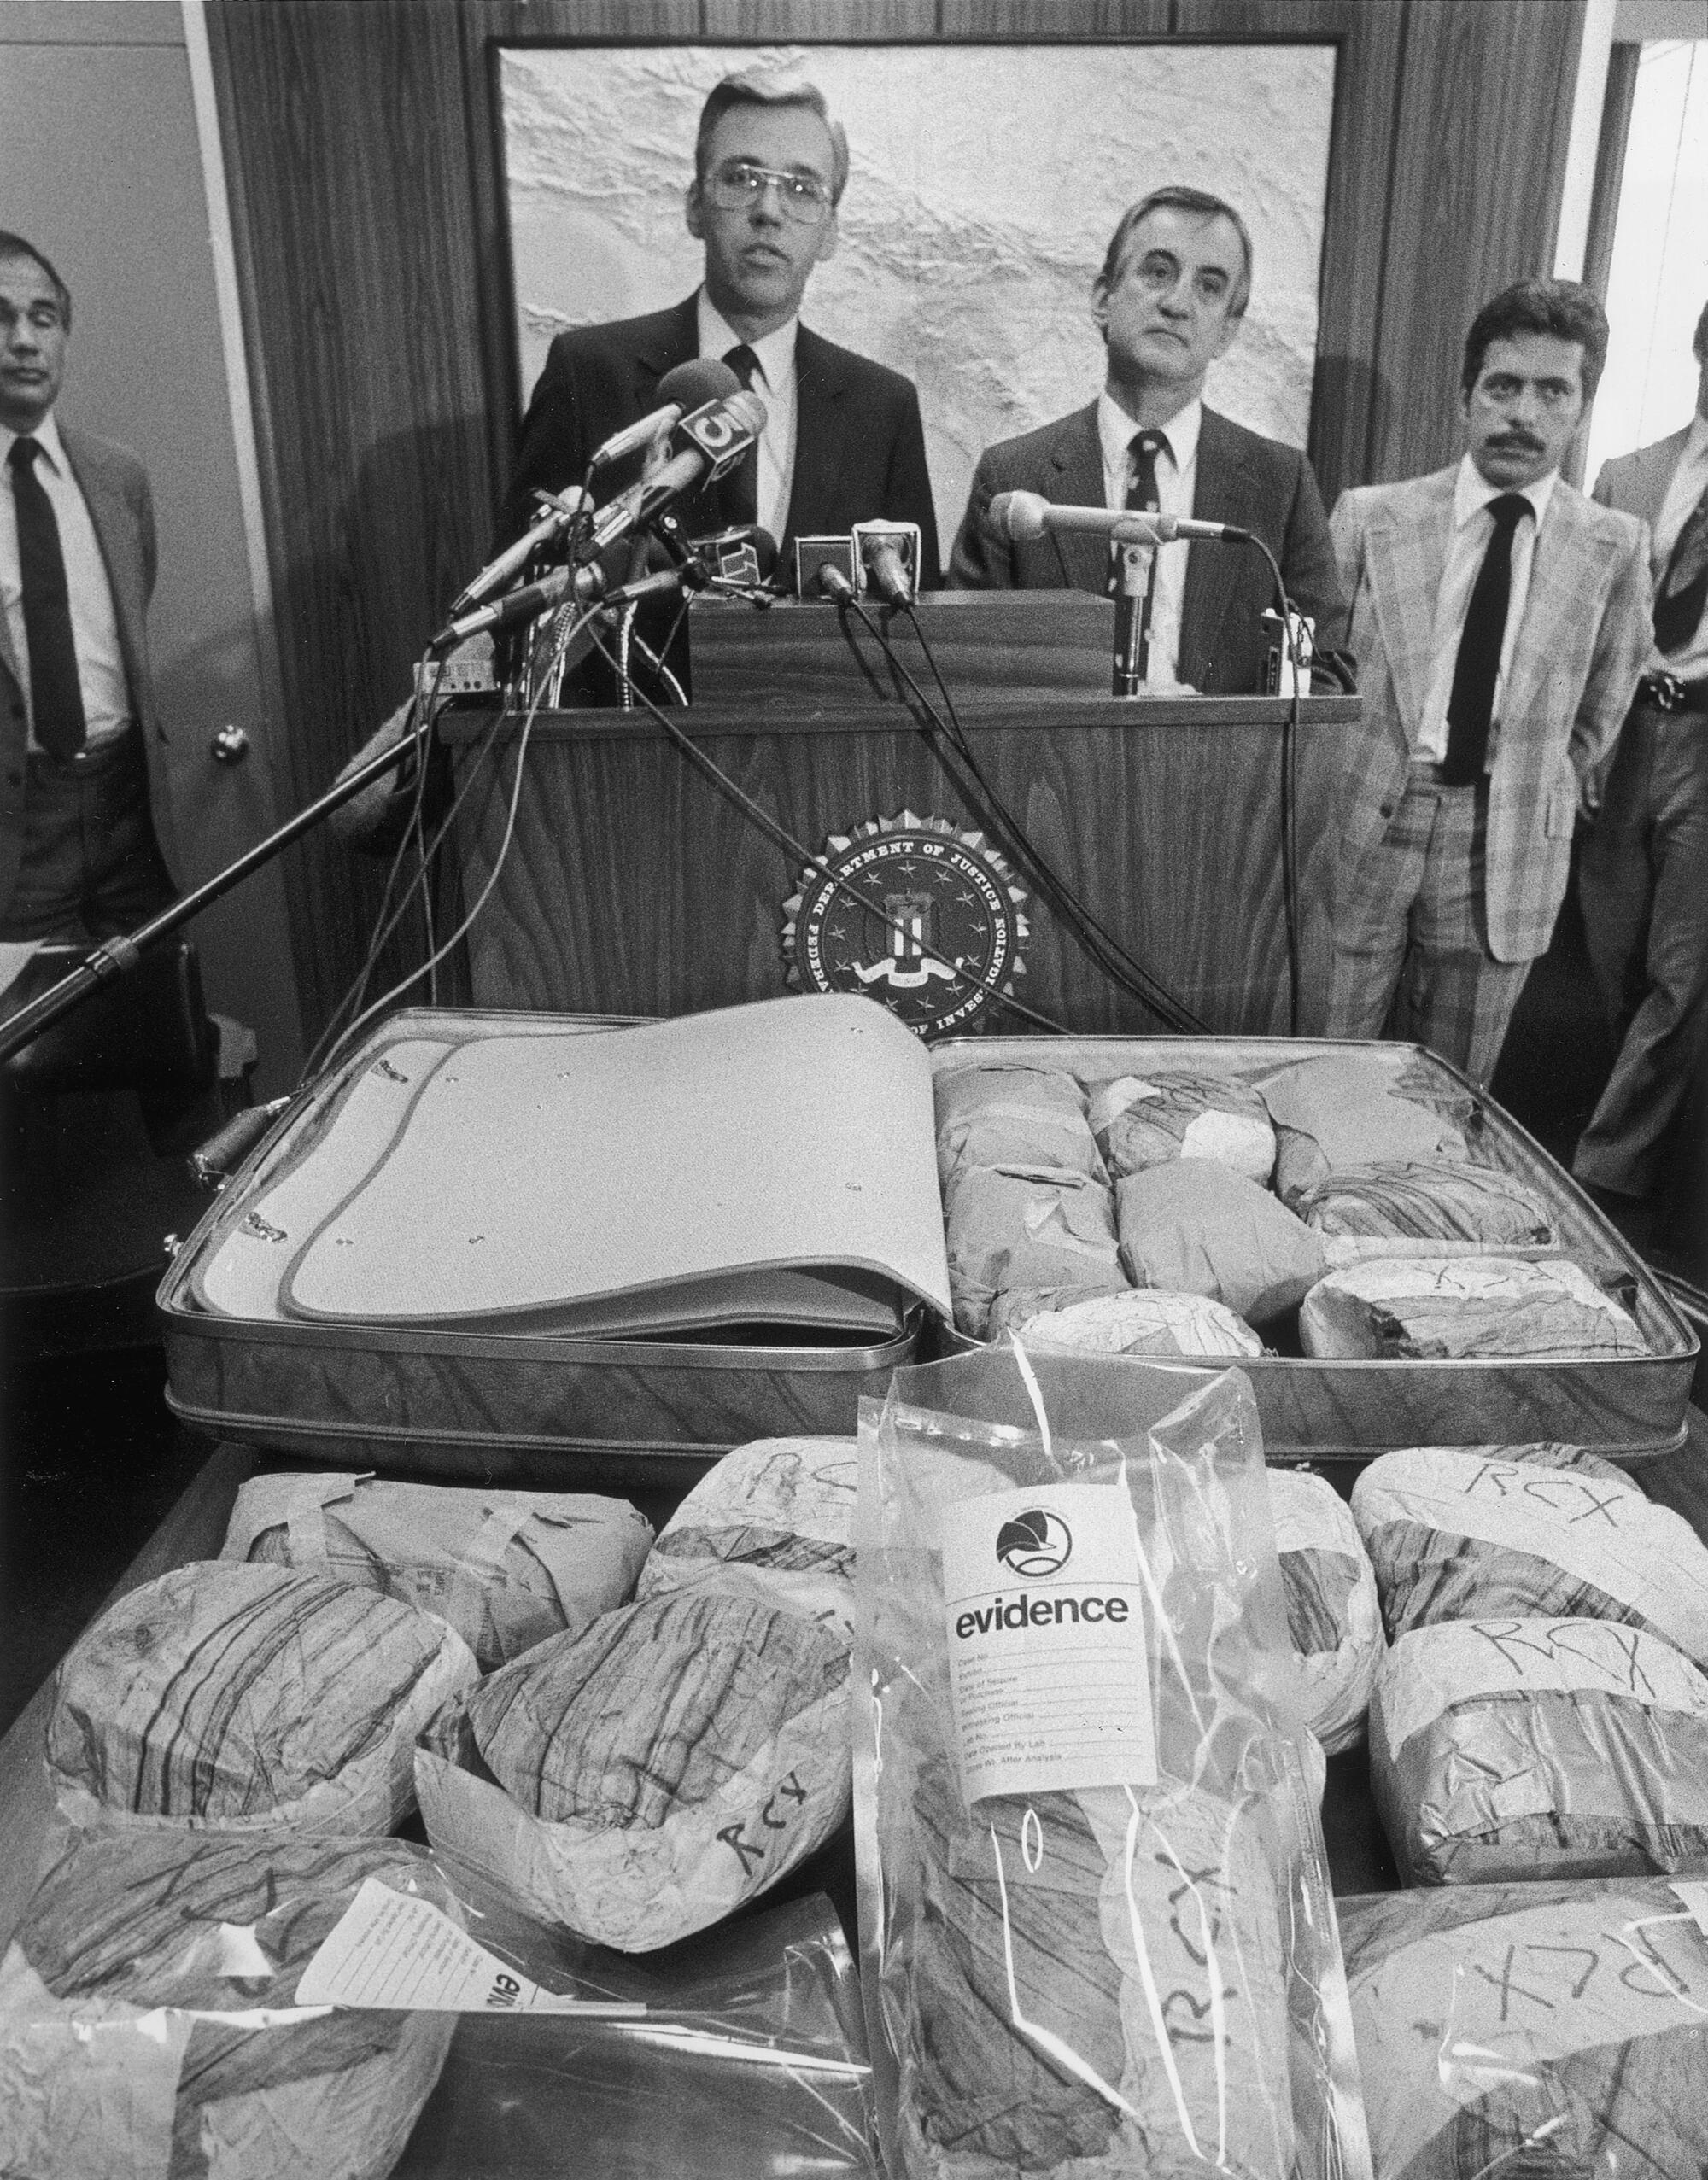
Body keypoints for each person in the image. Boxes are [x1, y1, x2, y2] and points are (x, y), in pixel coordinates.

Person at [1323, 278, 1650, 1085]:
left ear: (1579, 408)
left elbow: (1602, 711)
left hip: (1502, 846)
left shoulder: (1614, 545)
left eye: (1552, 392)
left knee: (1452, 1090)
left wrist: (1537, 782)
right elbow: (1319, 684)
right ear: (1465, 395)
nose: (1523, 414)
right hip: (1365, 823)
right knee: (1319, 1061)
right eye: (1503, 386)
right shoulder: (1370, 518)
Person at [497, 68, 939, 577]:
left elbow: (915, 619)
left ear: (831, 234)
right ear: (694, 208)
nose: (768, 211)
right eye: (741, 178)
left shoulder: (883, 408)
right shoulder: (588, 372)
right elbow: (518, 588)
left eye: (801, 188)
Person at [946, 184, 1345, 693]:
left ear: (1227, 331)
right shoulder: (1013, 477)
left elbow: (1325, 678)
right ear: (1102, 300)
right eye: (1158, 271)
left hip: (1222, 769)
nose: (1177, 303)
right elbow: (965, 674)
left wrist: (1208, 731)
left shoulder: (1280, 485)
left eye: (1209, 286)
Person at [0, 232, 178, 944]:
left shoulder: (117, 476)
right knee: (27, 1040)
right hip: (18, 826)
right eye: (0, 318)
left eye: (43, 318)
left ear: (64, 338)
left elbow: (135, 607)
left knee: (152, 1023)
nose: (22, 341)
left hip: (125, 806)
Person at [1571, 301, 1708, 1213]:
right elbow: (1579, 615)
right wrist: (1580, 738)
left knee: (1679, 972)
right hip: (1623, 733)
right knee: (1609, 954)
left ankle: (1602, 1171)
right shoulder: (1629, 475)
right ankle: (1630, 1136)